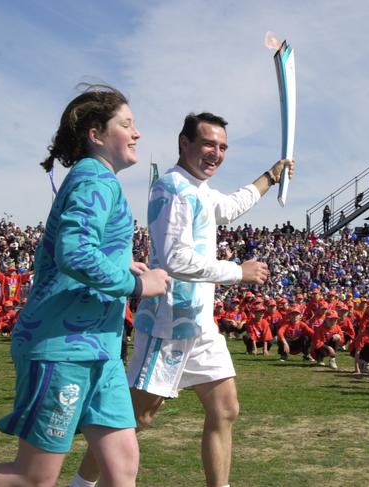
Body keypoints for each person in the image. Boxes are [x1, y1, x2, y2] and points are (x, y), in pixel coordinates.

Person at [0, 85, 170, 487]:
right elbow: (75, 253)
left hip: (99, 348)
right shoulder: (95, 179)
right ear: (96, 135)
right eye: (127, 124)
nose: (137, 134)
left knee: (122, 467)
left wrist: (121, 263)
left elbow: (83, 250)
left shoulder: (99, 180)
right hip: (64, 346)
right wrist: (136, 284)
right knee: (33, 477)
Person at [73, 112, 293, 487]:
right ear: (184, 143)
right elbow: (176, 259)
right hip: (167, 324)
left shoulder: (199, 190)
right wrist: (238, 272)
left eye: (222, 147)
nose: (216, 153)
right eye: (209, 144)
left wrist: (270, 177)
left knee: (225, 410)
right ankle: (81, 485)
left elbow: (229, 207)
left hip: (199, 325)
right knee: (135, 419)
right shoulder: (173, 188)